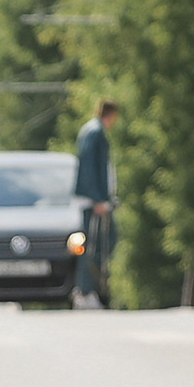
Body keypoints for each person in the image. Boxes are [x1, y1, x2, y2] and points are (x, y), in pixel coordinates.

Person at [73, 100, 120, 306]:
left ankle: (90, 289)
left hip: (97, 199)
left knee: (100, 242)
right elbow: (89, 168)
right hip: (94, 201)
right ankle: (85, 290)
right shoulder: (94, 133)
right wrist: (98, 199)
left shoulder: (92, 131)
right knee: (93, 245)